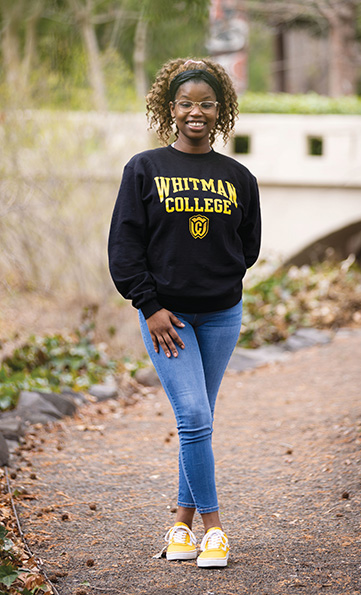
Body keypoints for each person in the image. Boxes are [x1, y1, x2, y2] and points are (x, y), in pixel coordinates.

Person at [108, 57, 261, 568]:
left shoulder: (238, 176)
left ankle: (179, 525)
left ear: (221, 111)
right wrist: (149, 304)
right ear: (170, 110)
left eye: (207, 104)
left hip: (220, 316)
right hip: (165, 319)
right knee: (194, 415)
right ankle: (214, 529)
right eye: (186, 104)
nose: (197, 112)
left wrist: (219, 281)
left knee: (199, 419)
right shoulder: (144, 168)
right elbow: (125, 247)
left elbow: (249, 245)